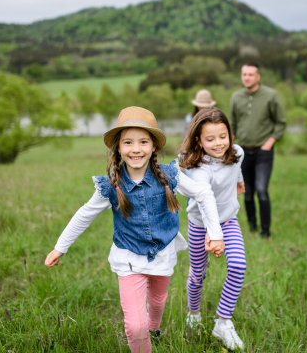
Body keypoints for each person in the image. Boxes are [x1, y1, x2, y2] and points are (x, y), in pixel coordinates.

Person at [44, 106, 225, 353]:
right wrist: (60, 247)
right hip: (128, 257)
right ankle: (144, 336)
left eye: (143, 142)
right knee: (135, 327)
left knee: (158, 303)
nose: (136, 149)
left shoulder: (170, 176)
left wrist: (215, 234)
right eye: (128, 142)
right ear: (118, 148)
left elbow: (204, 194)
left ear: (153, 147)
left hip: (162, 252)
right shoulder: (110, 187)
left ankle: (155, 327)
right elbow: (84, 215)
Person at [179, 107, 246, 350]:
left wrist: (239, 181)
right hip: (200, 224)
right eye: (210, 139)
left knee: (238, 265)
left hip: (228, 220)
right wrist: (211, 231)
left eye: (223, 136)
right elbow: (205, 197)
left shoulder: (237, 152)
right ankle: (194, 314)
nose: (218, 143)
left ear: (230, 134)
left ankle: (223, 322)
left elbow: (235, 168)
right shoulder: (198, 168)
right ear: (198, 140)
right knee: (198, 274)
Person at [229, 63, 286, 238]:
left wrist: (269, 143)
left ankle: (265, 232)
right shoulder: (236, 97)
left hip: (263, 152)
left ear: (258, 77)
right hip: (242, 152)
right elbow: (232, 126)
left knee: (261, 191)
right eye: (244, 74)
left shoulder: (271, 95)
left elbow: (280, 122)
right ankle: (253, 227)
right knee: (247, 193)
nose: (247, 77)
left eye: (251, 74)